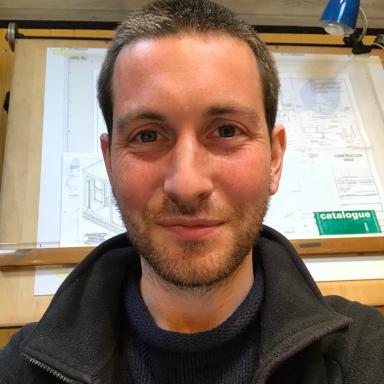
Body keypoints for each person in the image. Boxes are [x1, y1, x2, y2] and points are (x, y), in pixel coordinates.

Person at [1, 0, 384, 383]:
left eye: (227, 131)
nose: (186, 184)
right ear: (109, 162)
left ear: (274, 158)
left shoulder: (366, 354)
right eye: (147, 135)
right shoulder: (21, 370)